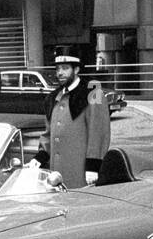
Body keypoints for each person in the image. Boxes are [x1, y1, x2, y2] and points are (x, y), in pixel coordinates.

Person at [31, 46, 110, 188]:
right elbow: (48, 134)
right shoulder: (52, 97)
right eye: (57, 69)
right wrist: (40, 157)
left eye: (65, 68)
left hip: (81, 172)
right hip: (56, 174)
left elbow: (98, 133)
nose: (60, 73)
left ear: (76, 70)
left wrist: (93, 166)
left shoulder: (94, 93)